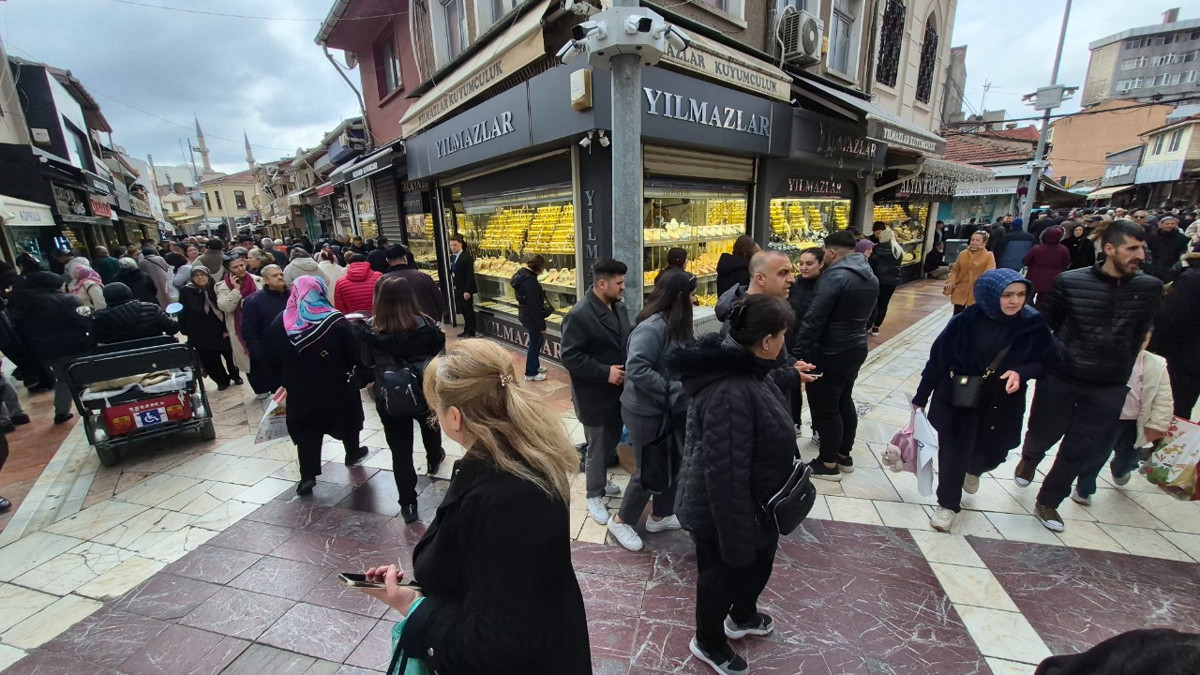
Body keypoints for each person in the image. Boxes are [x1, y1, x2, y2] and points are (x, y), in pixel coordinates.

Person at [358, 339, 589, 674]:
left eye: (434, 406)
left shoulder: (510, 494)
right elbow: (495, 574)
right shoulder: (522, 457)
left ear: (454, 417)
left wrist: (414, 608)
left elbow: (500, 639)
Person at [670, 294, 798, 675]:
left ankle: (741, 616)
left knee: (751, 569)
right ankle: (708, 640)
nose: (784, 344)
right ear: (766, 342)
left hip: (754, 506)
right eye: (782, 335)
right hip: (724, 511)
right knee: (720, 579)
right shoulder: (730, 392)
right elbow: (725, 474)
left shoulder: (751, 373)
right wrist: (736, 539)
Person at [1016, 220, 1162, 532]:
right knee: (1044, 430)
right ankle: (1030, 457)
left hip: (1108, 385)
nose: (1140, 253)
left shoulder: (1149, 288)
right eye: (1132, 248)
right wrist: (1055, 356)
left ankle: (1049, 501)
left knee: (1080, 447)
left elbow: (1141, 332)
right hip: (1062, 376)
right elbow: (1044, 326)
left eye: (1142, 247)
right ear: (1109, 249)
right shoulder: (1069, 282)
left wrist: (1122, 365)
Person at [912, 269, 1058, 532]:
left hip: (1002, 401)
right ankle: (947, 505)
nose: (1014, 301)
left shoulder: (1033, 325)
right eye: (1007, 294)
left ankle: (976, 468)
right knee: (953, 452)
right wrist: (921, 397)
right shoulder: (964, 322)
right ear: (990, 294)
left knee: (994, 450)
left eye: (1021, 294)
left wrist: (1021, 372)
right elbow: (938, 360)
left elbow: (1050, 361)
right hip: (960, 395)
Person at [608, 268, 696, 552]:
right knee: (648, 469)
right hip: (645, 411)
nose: (695, 300)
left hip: (667, 410)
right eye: (692, 294)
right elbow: (637, 369)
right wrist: (674, 389)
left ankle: (660, 515)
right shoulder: (653, 327)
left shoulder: (676, 323)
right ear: (679, 296)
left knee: (671, 461)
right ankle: (621, 521)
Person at [266, 276, 368, 495]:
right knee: (348, 420)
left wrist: (283, 380)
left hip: (301, 390)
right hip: (337, 385)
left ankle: (308, 475)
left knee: (307, 431)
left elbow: (271, 357)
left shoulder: (280, 322)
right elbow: (355, 353)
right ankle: (352, 452)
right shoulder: (334, 320)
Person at [793, 230, 879, 481]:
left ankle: (827, 462)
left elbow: (815, 318)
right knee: (843, 399)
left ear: (830, 253)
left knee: (826, 406)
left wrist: (797, 354)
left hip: (830, 349)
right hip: (855, 347)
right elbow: (871, 315)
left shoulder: (835, 276)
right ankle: (843, 455)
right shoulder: (868, 275)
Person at [360, 276, 446, 523]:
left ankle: (408, 503)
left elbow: (366, 361)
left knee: (400, 450)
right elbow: (439, 355)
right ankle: (433, 457)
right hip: (423, 389)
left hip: (389, 394)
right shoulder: (426, 326)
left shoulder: (370, 330)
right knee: (430, 425)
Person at [561, 258, 631, 526]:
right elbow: (570, 356)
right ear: (602, 284)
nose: (623, 288)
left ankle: (601, 480)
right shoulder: (579, 315)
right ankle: (593, 494)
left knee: (611, 441)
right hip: (594, 395)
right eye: (619, 283)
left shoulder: (619, 308)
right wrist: (605, 372)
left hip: (618, 393)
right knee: (597, 446)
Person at [1073, 331, 1173, 504]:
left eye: (1145, 339)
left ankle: (1121, 469)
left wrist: (1158, 424)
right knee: (1098, 453)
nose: (1140, 342)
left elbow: (1163, 397)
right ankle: (1084, 488)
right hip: (1109, 416)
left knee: (1130, 454)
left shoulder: (1155, 365)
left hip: (1135, 421)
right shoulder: (1110, 357)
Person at [9, 272, 93, 424]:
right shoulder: (68, 300)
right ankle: (89, 405)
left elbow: (20, 329)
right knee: (82, 376)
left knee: (62, 379)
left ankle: (62, 411)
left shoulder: (24, 305)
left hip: (43, 352)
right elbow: (84, 320)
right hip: (74, 346)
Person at [1151, 252, 1200, 418]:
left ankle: (1162, 442)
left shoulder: (1192, 278)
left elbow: (1172, 316)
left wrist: (1154, 346)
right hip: (1190, 357)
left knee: (1169, 406)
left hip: (1183, 355)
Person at [178, 267, 238, 391]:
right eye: (196, 275)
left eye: (203, 274)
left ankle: (235, 375)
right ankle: (222, 380)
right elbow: (182, 312)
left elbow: (226, 308)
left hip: (220, 328)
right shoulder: (186, 291)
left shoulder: (216, 287)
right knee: (210, 360)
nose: (200, 277)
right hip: (200, 331)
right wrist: (185, 331)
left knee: (230, 354)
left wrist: (228, 328)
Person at [786, 248, 824, 426]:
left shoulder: (826, 286)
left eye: (809, 263)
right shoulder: (794, 285)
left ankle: (818, 426)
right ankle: (795, 422)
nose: (803, 267)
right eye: (801, 263)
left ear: (821, 264)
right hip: (792, 341)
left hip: (815, 343)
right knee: (793, 383)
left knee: (816, 386)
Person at [242, 264, 288, 396]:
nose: (280, 277)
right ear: (265, 280)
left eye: (281, 274)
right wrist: (260, 355)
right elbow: (249, 332)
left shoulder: (293, 296)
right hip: (271, 356)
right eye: (275, 275)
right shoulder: (253, 302)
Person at [216, 257, 259, 382]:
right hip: (240, 328)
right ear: (228, 269)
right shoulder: (222, 287)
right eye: (235, 267)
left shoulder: (257, 280)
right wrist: (235, 290)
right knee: (249, 362)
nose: (240, 269)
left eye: (242, 265)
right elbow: (225, 307)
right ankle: (260, 390)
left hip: (259, 324)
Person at [91, 283, 179, 344]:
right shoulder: (151, 308)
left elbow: (96, 339)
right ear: (129, 293)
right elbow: (172, 328)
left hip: (120, 361)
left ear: (106, 298)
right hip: (158, 355)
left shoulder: (99, 317)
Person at [380, 245, 445, 322]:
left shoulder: (383, 281)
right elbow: (439, 301)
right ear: (405, 258)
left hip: (395, 326)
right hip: (425, 324)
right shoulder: (423, 277)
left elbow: (379, 307)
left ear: (387, 260)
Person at [510, 255, 549, 382]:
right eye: (543, 267)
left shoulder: (523, 275)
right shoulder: (530, 282)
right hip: (531, 317)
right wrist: (541, 326)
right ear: (539, 267)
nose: (544, 270)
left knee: (536, 341)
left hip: (525, 314)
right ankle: (531, 373)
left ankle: (535, 366)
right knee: (535, 342)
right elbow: (535, 307)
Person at [944, 230, 996, 314]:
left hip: (976, 291)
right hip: (960, 289)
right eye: (972, 240)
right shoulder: (963, 254)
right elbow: (956, 269)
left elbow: (989, 273)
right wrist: (950, 281)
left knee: (972, 316)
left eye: (977, 240)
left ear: (984, 242)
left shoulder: (988, 255)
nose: (974, 242)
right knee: (957, 316)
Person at [1022, 226, 1071, 308]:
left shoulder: (1037, 249)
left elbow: (1026, 261)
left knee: (1028, 297)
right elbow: (1066, 263)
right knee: (1043, 300)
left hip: (1034, 277)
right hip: (1053, 279)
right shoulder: (1063, 250)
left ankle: (1028, 311)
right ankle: (1038, 312)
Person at [868, 227, 903, 336]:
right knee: (884, 303)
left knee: (872, 303)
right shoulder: (898, 250)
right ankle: (876, 327)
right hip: (892, 281)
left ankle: (867, 325)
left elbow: (871, 264)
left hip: (877, 279)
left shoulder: (877, 249)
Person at [448, 234, 478, 337]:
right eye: (451, 245)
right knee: (462, 309)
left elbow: (469, 275)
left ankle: (471, 330)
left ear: (460, 244)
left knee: (468, 310)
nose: (453, 247)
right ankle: (466, 328)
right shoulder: (452, 257)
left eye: (455, 245)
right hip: (457, 288)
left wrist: (468, 290)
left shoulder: (466, 257)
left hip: (465, 288)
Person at [1146, 215, 1189, 282]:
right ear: (1161, 224)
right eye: (1167, 224)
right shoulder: (1153, 236)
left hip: (1171, 266)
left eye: (1172, 224)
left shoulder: (1181, 238)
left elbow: (1183, 251)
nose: (1169, 226)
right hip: (1154, 266)